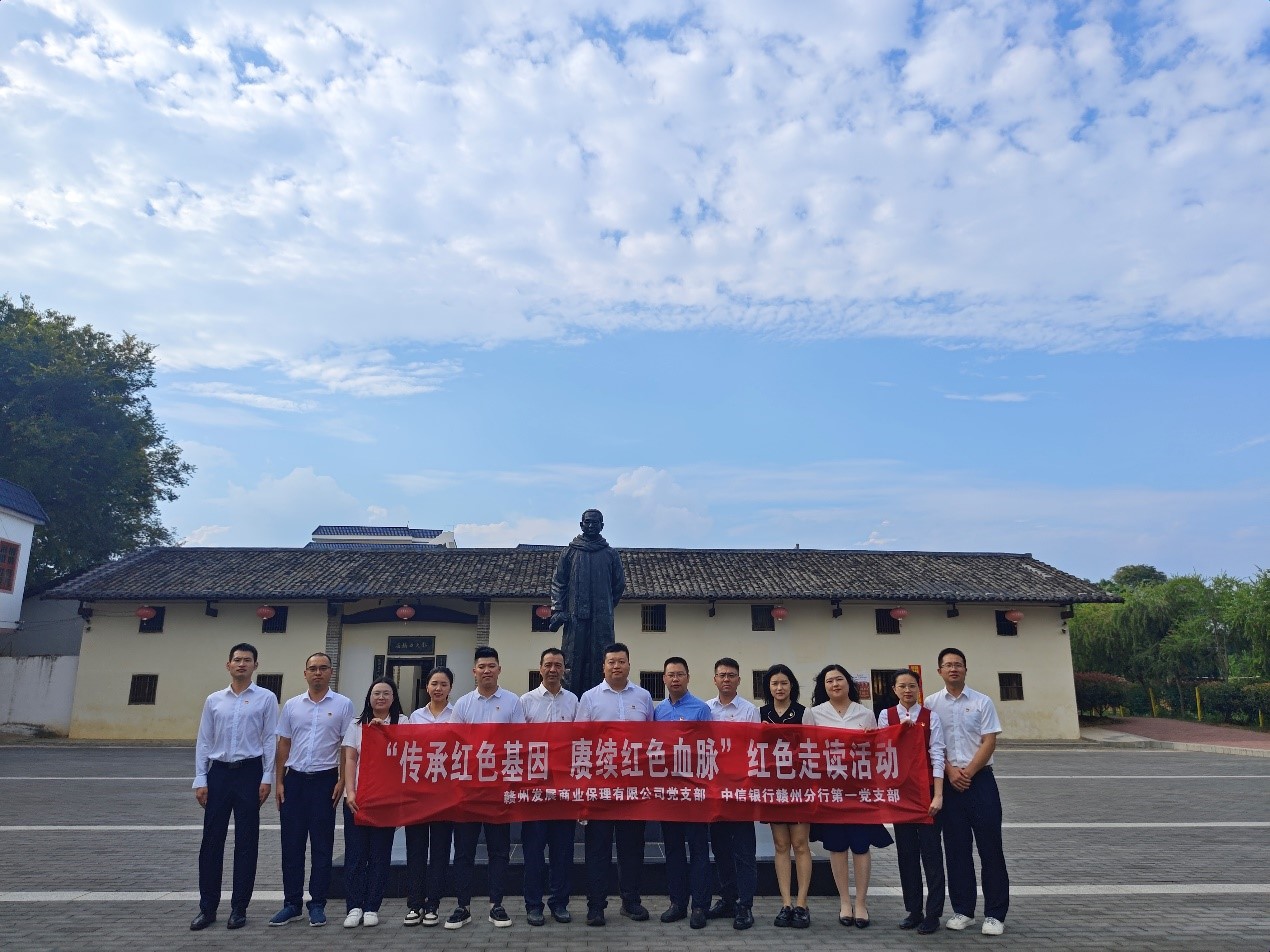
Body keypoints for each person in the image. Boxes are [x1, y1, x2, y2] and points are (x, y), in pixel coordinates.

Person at [190, 643, 279, 931]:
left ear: (255, 665)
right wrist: (201, 778)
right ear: (228, 665)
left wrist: (267, 777)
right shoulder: (214, 700)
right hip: (218, 774)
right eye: (237, 660)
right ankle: (207, 908)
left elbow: (270, 739)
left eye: (247, 660)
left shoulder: (266, 699)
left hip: (250, 773)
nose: (242, 664)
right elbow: (204, 739)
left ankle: (239, 907)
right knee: (211, 842)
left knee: (246, 842)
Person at [925, 648, 1009, 936]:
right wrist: (950, 772)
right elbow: (931, 745)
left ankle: (995, 914)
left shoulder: (982, 701)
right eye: (948, 665)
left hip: (980, 781)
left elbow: (989, 741)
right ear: (939, 671)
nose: (953, 669)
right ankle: (963, 910)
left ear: (965, 669)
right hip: (949, 783)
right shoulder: (931, 704)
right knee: (956, 848)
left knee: (990, 848)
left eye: (958, 664)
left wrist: (968, 773)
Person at [805, 663, 893, 930]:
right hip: (830, 790)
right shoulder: (814, 714)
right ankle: (845, 901)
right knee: (837, 845)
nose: (835, 684)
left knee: (861, 845)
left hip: (860, 789)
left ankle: (862, 902)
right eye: (829, 681)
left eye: (839, 679)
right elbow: (807, 750)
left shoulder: (865, 714)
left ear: (848, 683)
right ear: (823, 687)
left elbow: (877, 751)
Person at [270, 652, 354, 927]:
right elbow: (284, 743)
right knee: (291, 845)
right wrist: (279, 781)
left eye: (323, 668)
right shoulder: (293, 705)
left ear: (331, 672)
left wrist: (342, 780)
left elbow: (346, 745)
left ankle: (317, 903)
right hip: (294, 781)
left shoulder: (343, 705)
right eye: (313, 668)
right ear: (305, 673)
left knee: (322, 846)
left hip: (324, 783)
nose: (318, 672)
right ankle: (291, 903)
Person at [575, 642, 654, 926]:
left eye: (621, 661)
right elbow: (580, 744)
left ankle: (631, 902)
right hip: (600, 787)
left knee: (632, 848)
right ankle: (596, 905)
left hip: (633, 788)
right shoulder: (589, 698)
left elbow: (651, 742)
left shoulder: (644, 697)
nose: (616, 666)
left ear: (629, 664)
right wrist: (582, 790)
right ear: (603, 666)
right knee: (597, 849)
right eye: (611, 662)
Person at [446, 646, 526, 929]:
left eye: (492, 666)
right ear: (474, 671)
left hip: (498, 790)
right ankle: (462, 906)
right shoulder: (463, 704)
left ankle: (497, 905)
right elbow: (454, 743)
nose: (487, 671)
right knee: (464, 851)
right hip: (468, 790)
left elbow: (518, 742)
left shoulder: (513, 701)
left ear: (499, 670)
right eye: (482, 666)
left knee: (498, 850)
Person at [878, 669, 946, 935]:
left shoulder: (930, 717)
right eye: (902, 686)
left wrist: (938, 794)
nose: (907, 690)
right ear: (894, 689)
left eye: (912, 686)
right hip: (901, 794)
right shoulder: (887, 716)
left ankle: (933, 913)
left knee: (932, 853)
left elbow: (937, 754)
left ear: (919, 689)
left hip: (925, 791)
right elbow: (882, 749)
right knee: (906, 854)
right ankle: (914, 910)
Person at [519, 647, 579, 926]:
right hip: (535, 789)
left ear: (564, 669)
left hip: (564, 789)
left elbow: (581, 740)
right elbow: (517, 744)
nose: (553, 669)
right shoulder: (525, 701)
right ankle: (533, 905)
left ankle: (559, 903)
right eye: (548, 664)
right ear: (540, 668)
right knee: (533, 852)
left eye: (558, 665)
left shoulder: (574, 701)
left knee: (562, 851)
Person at [652, 656, 712, 930]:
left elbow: (709, 749)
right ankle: (677, 903)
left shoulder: (701, 709)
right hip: (669, 793)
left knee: (698, 850)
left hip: (695, 793)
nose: (675, 679)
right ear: (664, 679)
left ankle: (700, 906)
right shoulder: (659, 712)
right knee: (673, 849)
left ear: (688, 677)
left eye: (680, 674)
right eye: (670, 675)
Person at [341, 678, 405, 928]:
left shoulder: (404, 723)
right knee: (356, 854)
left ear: (394, 697)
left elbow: (405, 754)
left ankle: (371, 907)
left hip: (385, 800)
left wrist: (384, 733)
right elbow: (350, 759)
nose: (381, 697)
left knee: (380, 854)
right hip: (358, 799)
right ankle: (354, 906)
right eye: (376, 693)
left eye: (386, 693)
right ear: (369, 697)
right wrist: (350, 792)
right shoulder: (356, 724)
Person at [705, 657, 760, 930]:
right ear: (714, 679)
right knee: (721, 849)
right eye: (722, 675)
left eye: (731, 675)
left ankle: (745, 905)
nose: (726, 679)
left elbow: (755, 749)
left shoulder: (749, 711)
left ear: (739, 679)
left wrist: (748, 784)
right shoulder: (706, 709)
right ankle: (727, 899)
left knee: (744, 851)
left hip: (740, 791)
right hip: (715, 791)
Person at [549, 509, 625, 694]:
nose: (591, 525)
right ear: (581, 525)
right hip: (575, 617)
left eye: (595, 522)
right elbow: (559, 582)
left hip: (602, 618)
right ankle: (570, 698)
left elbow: (618, 585)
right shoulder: (569, 552)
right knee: (572, 659)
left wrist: (606, 606)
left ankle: (603, 697)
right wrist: (558, 608)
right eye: (588, 522)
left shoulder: (610, 554)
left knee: (602, 657)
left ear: (602, 526)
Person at [403, 666, 456, 927]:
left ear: (450, 688)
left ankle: (433, 904)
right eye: (434, 683)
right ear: (427, 686)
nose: (438, 688)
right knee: (416, 849)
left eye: (443, 684)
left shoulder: (457, 716)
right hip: (419, 794)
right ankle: (415, 904)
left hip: (445, 794)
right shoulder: (415, 717)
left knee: (439, 851)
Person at [758, 663, 811, 929]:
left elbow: (814, 748)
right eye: (774, 683)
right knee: (781, 845)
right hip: (773, 788)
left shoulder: (803, 713)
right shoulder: (760, 714)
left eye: (784, 683)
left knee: (800, 844)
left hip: (799, 787)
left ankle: (802, 904)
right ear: (768, 687)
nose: (779, 688)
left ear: (792, 686)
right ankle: (786, 903)